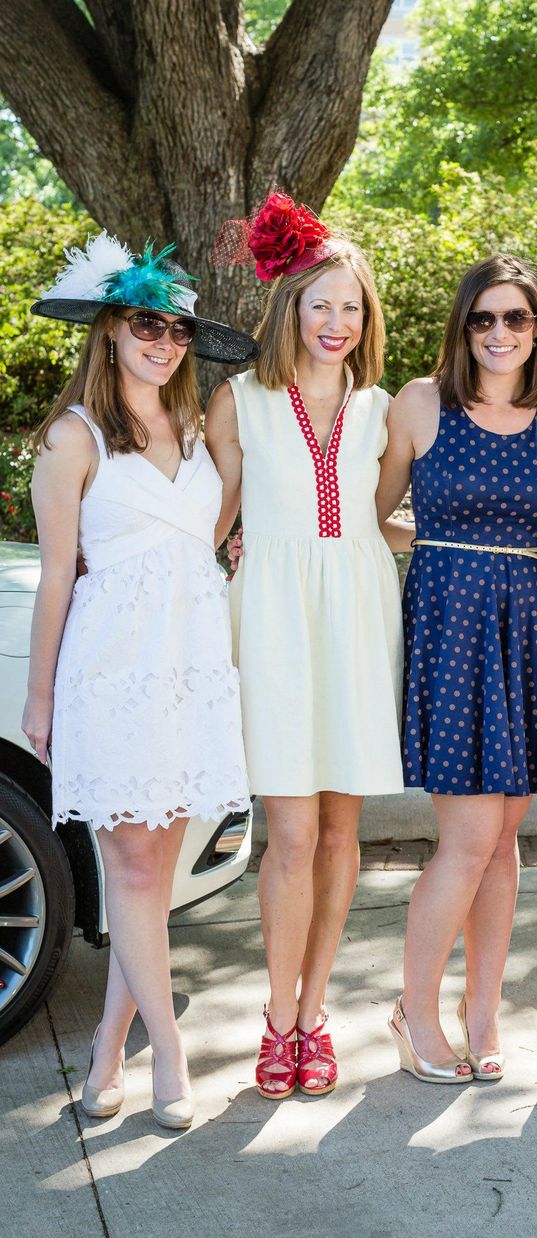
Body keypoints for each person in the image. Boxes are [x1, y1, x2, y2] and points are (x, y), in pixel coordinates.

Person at [23, 233, 256, 1128]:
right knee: (126, 862)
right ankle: (172, 1055)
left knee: (150, 875)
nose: (162, 341)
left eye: (177, 329)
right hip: (112, 673)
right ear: (111, 329)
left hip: (189, 671)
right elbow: (55, 578)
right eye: (145, 323)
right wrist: (40, 696)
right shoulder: (71, 437)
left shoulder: (198, 433)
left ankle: (109, 1049)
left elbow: (207, 541)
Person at [207, 194, 409, 1099]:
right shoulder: (239, 400)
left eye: (353, 305)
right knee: (288, 833)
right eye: (321, 302)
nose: (338, 322)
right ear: (288, 305)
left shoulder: (382, 411)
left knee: (341, 831)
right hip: (278, 625)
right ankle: (277, 1017)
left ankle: (317, 1012)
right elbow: (206, 523)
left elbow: (381, 520)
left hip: (359, 617)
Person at [376, 254, 537, 1084]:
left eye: (517, 319)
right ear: (463, 327)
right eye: (484, 318)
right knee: (467, 836)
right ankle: (414, 1009)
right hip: (450, 623)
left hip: (527, 617)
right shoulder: (422, 404)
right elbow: (371, 513)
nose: (500, 334)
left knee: (504, 841)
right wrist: (430, 551)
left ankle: (483, 1010)